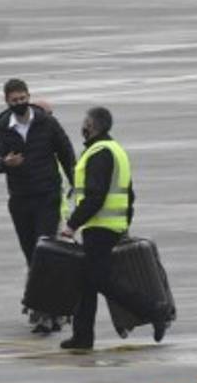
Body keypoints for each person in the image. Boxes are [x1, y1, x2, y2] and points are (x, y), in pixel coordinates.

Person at [60, 107, 171, 351]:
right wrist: (125, 223)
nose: (83, 127)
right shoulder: (115, 150)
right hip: (110, 225)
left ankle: (153, 311)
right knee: (86, 281)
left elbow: (95, 196)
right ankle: (82, 336)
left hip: (100, 227)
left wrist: (72, 224)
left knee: (98, 278)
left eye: (85, 123)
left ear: (92, 125)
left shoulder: (99, 153)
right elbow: (130, 194)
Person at [0, 79, 76, 334]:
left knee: (44, 253)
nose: (19, 103)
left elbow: (66, 153)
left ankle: (46, 313)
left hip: (47, 196)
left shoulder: (47, 123)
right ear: (7, 101)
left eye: (22, 98)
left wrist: (75, 182)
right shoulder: (3, 127)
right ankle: (48, 310)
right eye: (14, 100)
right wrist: (5, 163)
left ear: (29, 96)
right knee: (31, 256)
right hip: (20, 199)